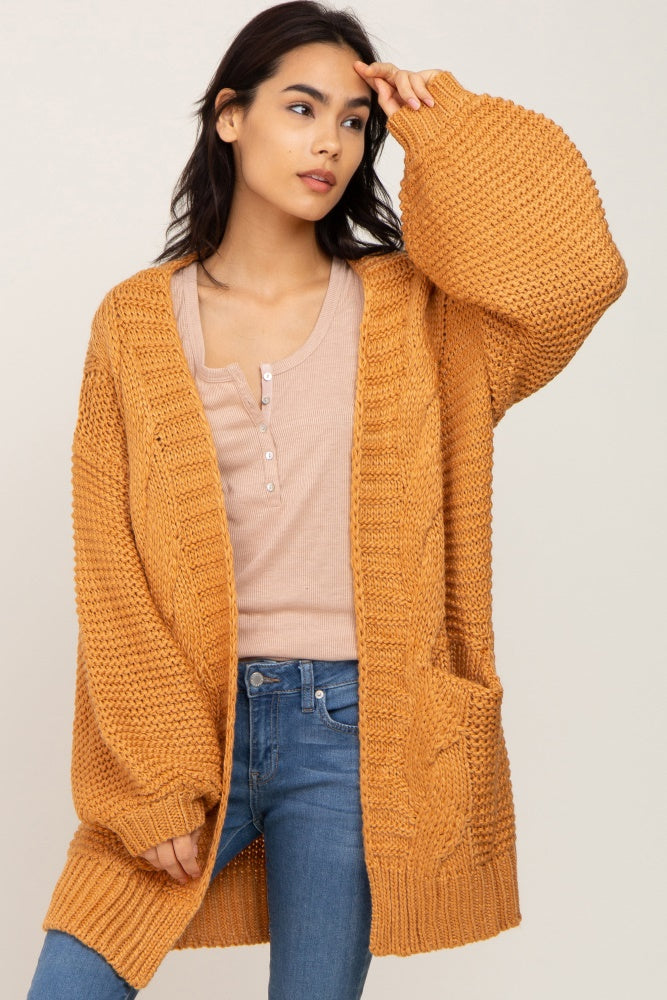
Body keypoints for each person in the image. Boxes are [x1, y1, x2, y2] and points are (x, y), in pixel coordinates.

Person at [26, 1, 628, 998]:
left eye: (354, 120)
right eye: (302, 108)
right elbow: (110, 563)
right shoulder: (134, 321)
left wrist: (442, 122)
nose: (331, 143)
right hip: (196, 729)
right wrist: (158, 776)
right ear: (231, 116)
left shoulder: (416, 313)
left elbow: (571, 278)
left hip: (356, 734)